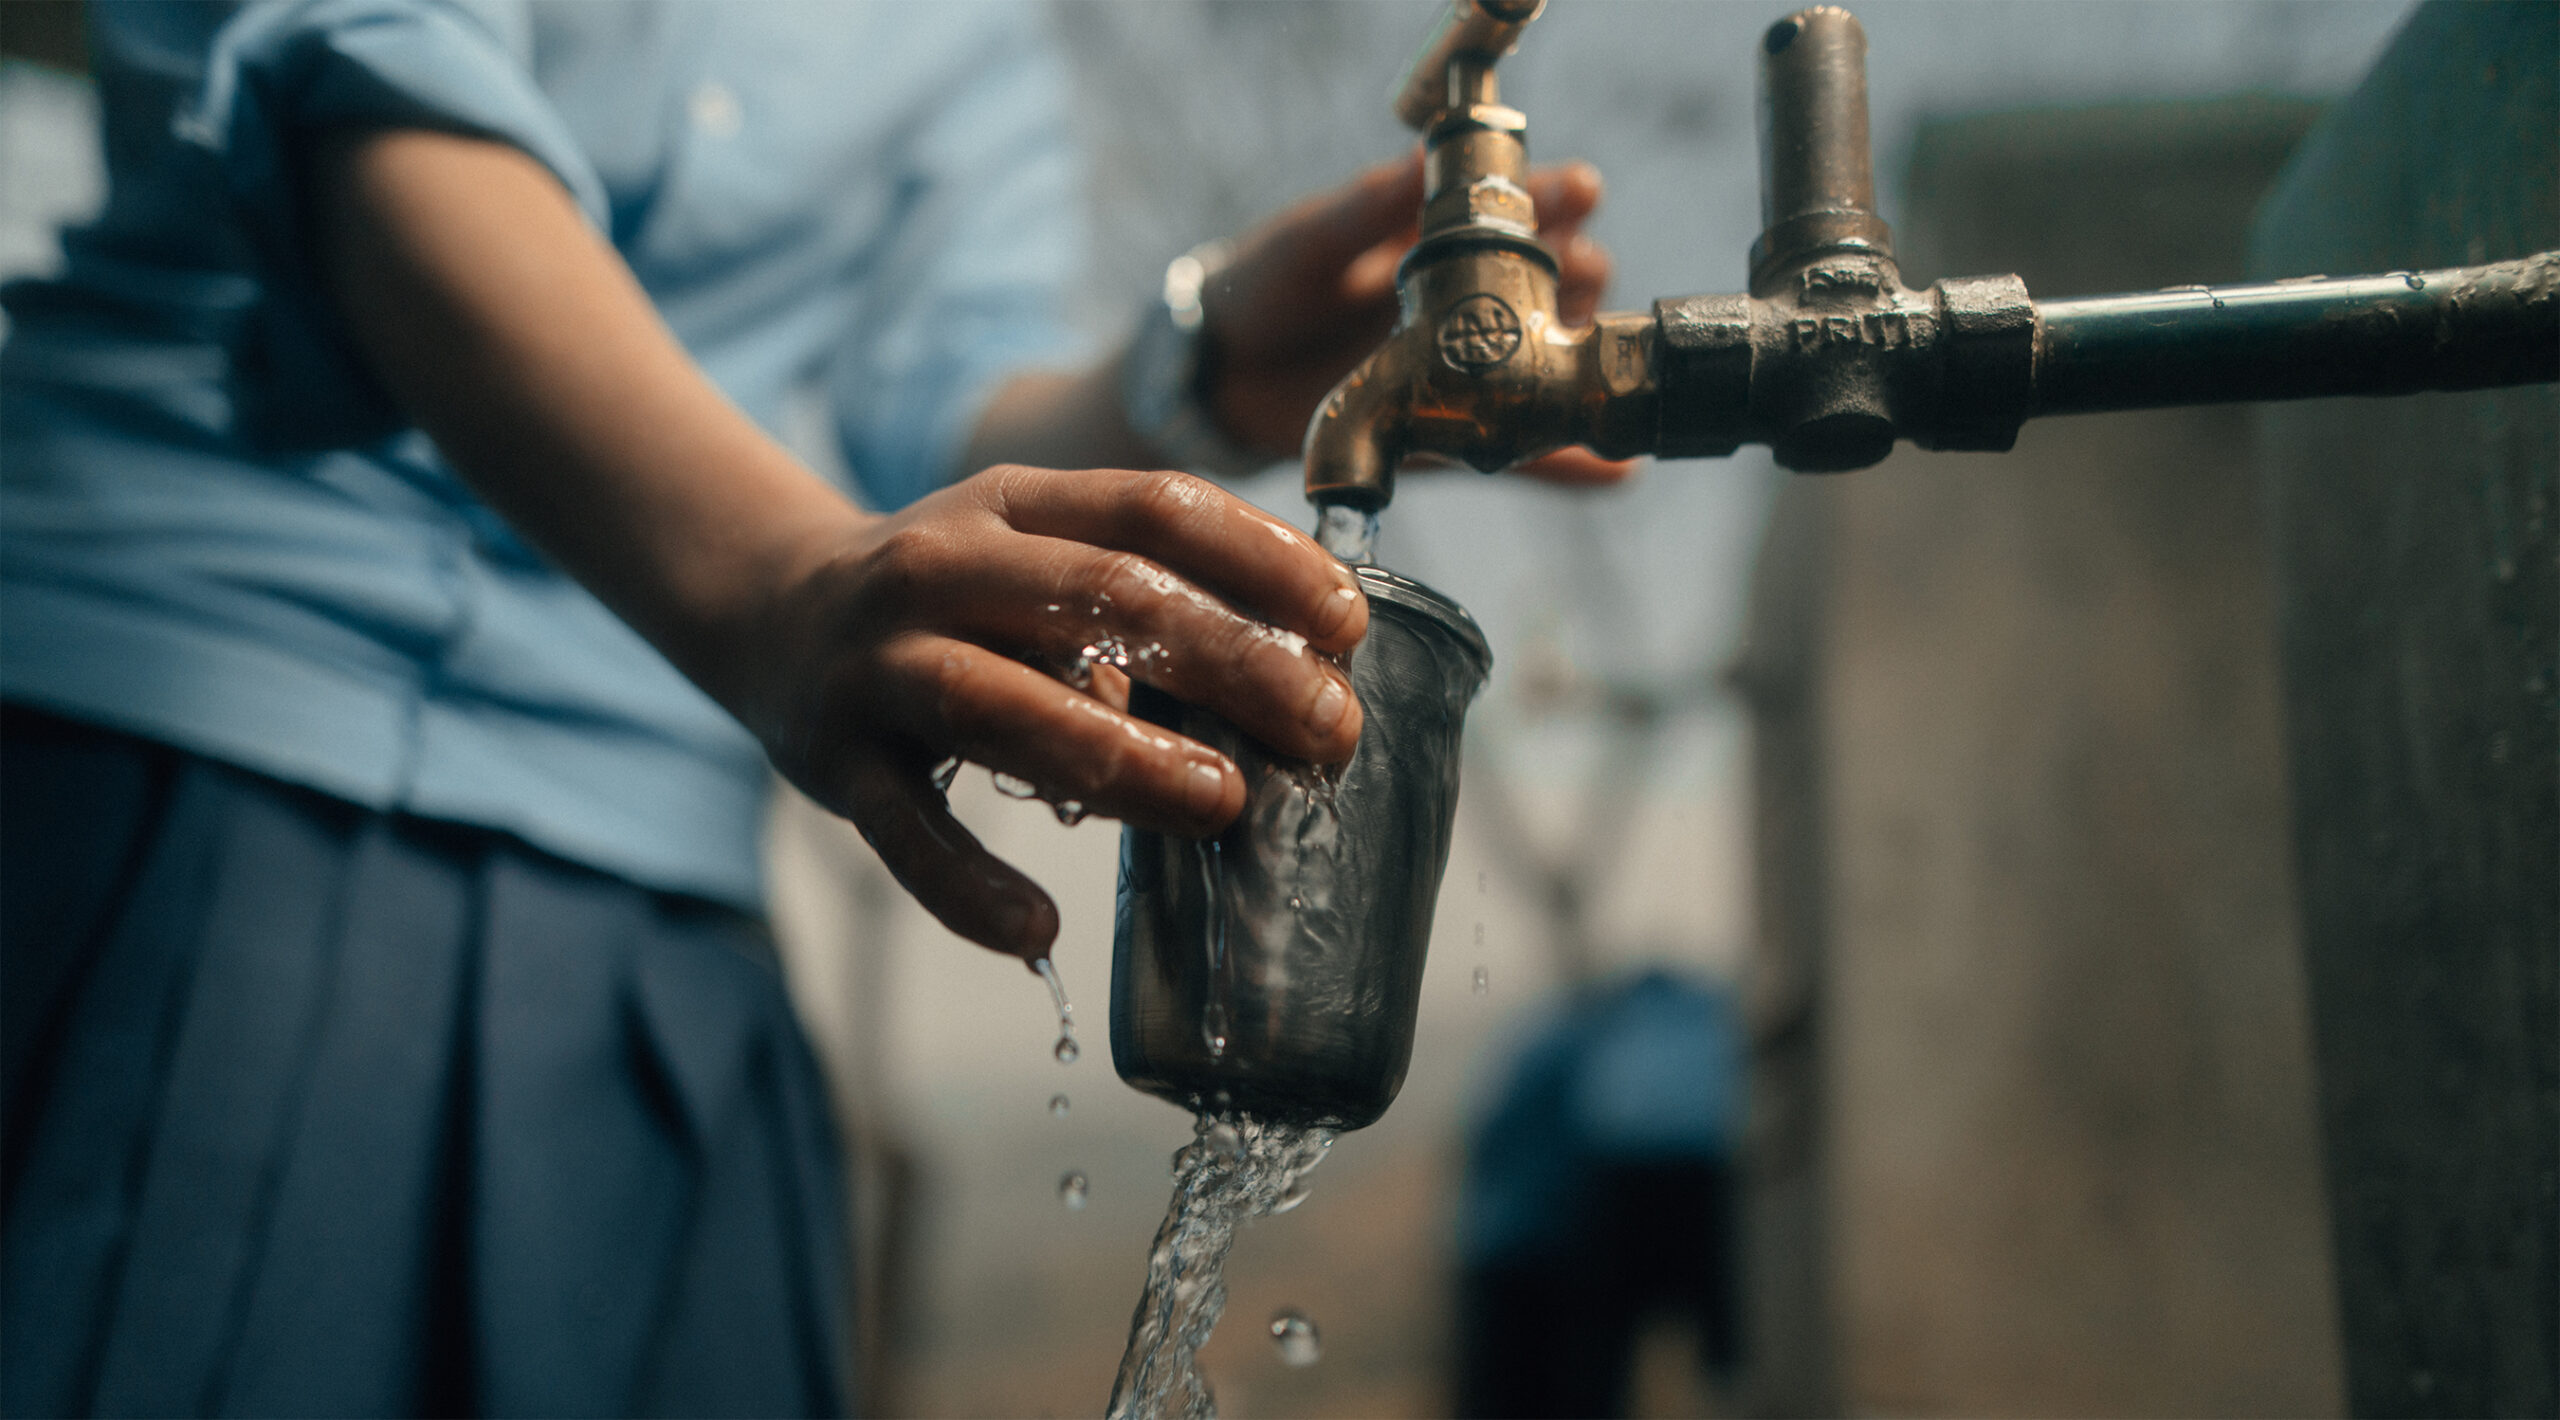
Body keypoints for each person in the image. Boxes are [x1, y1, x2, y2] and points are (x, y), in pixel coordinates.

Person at [0, 2, 1624, 1413]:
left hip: (655, 899)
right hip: (202, 765)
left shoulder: (966, 33)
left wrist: (1196, 382)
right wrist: (774, 581)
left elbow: (944, 405)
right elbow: (374, 99)